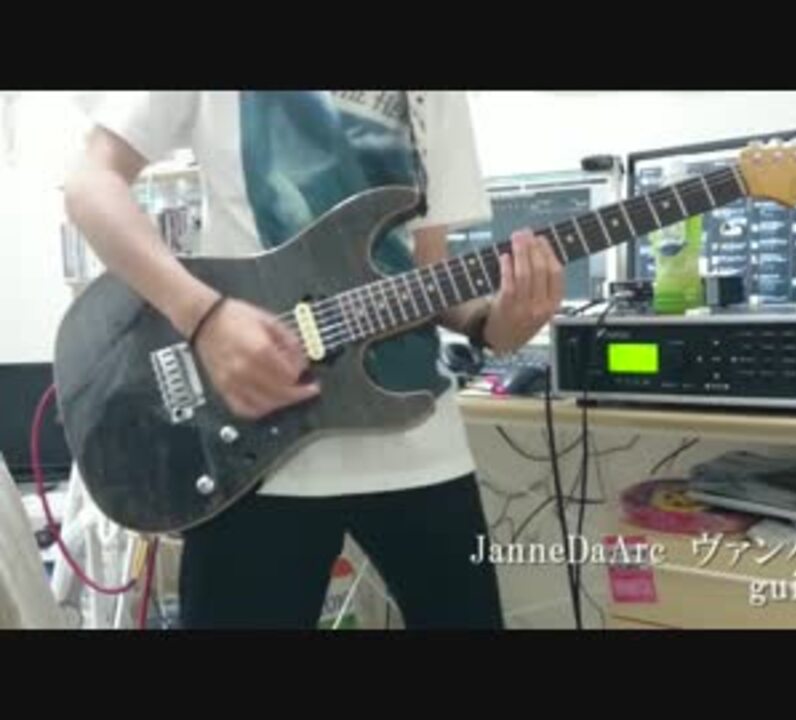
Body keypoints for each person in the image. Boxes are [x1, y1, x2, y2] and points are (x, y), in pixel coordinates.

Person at [63, 91, 564, 629]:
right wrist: (203, 315)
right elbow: (91, 184)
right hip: (252, 453)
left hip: (420, 442)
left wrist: (498, 323)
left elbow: (427, 272)